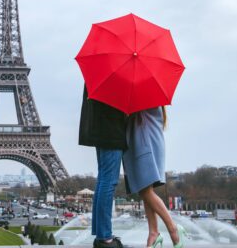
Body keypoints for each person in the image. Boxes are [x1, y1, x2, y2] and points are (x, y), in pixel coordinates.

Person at [122, 106, 186, 248]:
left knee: (145, 191)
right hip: (148, 142)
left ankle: (173, 228)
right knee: (145, 189)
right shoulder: (151, 101)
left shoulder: (142, 100)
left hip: (145, 145)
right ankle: (153, 232)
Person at [79, 86, 129, 248]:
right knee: (108, 182)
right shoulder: (116, 75)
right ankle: (105, 237)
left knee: (103, 181)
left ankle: (101, 235)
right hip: (111, 131)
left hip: (100, 130)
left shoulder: (98, 71)